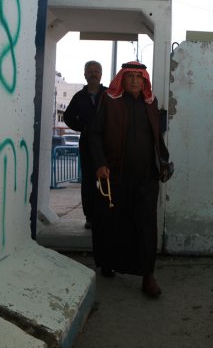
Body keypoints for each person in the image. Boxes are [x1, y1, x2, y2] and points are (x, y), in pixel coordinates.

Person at [89, 61, 172, 298]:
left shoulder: (151, 102)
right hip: (116, 176)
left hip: (147, 177)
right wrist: (100, 163)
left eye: (139, 76)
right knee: (114, 223)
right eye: (130, 76)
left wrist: (163, 162)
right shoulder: (110, 101)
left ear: (144, 80)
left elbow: (157, 137)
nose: (135, 81)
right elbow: (94, 134)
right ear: (122, 79)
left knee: (146, 225)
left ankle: (148, 276)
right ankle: (109, 262)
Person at [63, 61, 107, 229]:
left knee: (106, 178)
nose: (93, 74)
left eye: (96, 71)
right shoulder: (79, 97)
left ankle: (106, 214)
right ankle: (90, 216)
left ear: (101, 74)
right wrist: (83, 128)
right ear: (85, 75)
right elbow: (68, 117)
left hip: (106, 144)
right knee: (88, 181)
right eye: (90, 71)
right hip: (87, 144)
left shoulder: (108, 94)